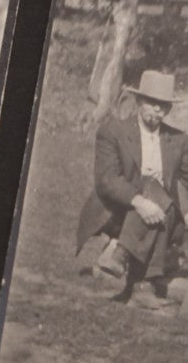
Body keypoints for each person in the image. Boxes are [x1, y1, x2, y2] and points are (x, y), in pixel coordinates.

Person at [76, 69, 188, 307]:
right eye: (151, 103)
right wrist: (140, 201)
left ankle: (121, 253)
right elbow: (107, 180)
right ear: (139, 101)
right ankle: (142, 286)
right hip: (120, 210)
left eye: (163, 106)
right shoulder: (113, 131)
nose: (157, 110)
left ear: (169, 109)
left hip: (161, 214)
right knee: (154, 191)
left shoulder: (178, 139)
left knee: (158, 195)